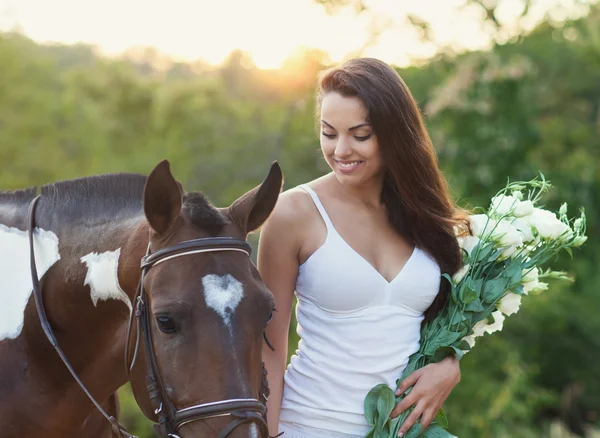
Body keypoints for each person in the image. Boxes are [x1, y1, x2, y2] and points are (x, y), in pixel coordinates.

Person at [258, 57, 468, 438]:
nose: (341, 150)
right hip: (307, 425)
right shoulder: (293, 213)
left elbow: (444, 323)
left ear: (394, 134)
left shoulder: (425, 215)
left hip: (401, 430)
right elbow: (267, 348)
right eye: (329, 132)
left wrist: (449, 365)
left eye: (360, 134)